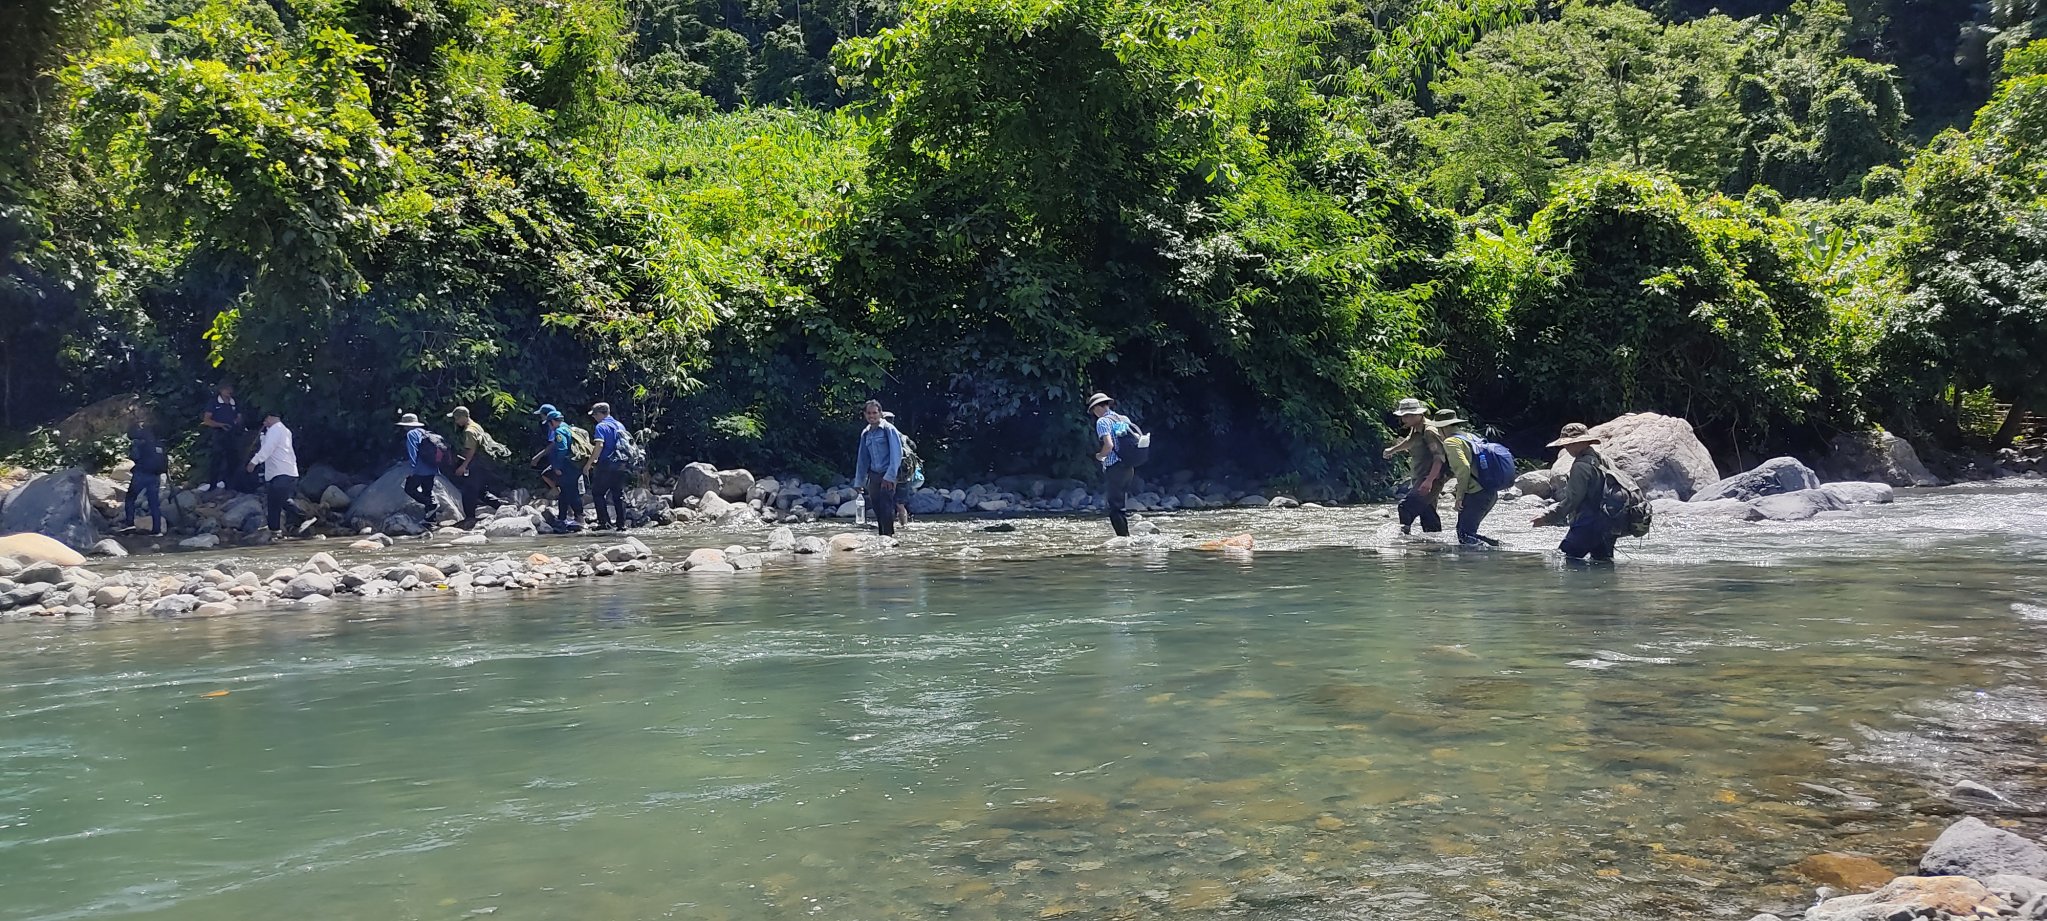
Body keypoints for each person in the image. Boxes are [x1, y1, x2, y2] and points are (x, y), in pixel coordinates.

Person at [1532, 422, 1617, 562]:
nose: (1566, 447)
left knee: (1565, 560)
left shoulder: (1581, 466)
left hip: (1587, 524)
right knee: (1603, 564)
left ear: (1579, 443)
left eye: (1569, 444)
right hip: (1608, 523)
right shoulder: (1602, 459)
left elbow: (1572, 500)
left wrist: (1548, 517)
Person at [1432, 409, 1500, 547]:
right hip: (1489, 491)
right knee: (1465, 534)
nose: (1439, 433)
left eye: (1439, 429)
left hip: (1477, 493)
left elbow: (1464, 468)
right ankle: (1498, 548)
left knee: (1465, 535)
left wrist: (1459, 497)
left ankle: (1496, 554)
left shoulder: (1451, 442)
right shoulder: (1470, 436)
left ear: (1444, 427)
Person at [1381, 397, 1444, 534]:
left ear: (1418, 414)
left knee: (1405, 507)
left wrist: (1429, 481)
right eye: (1403, 416)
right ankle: (1435, 547)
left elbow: (1439, 458)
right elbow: (1411, 441)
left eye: (1407, 416)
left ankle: (1403, 539)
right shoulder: (1416, 428)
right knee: (1427, 513)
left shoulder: (1429, 431)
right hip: (1421, 477)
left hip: (1430, 478)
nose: (1404, 420)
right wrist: (1393, 450)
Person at [1087, 392, 1137, 538]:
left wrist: (1099, 456)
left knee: (1114, 507)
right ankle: (1126, 536)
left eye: (1094, 410)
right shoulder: (1123, 418)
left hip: (1114, 467)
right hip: (1129, 467)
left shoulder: (1102, 422)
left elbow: (1108, 445)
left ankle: (1123, 539)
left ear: (1097, 408)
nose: (1094, 414)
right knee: (1120, 504)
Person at [852, 400, 903, 538]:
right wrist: (859, 482)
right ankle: (882, 535)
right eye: (868, 413)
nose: (871, 416)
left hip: (888, 473)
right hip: (874, 475)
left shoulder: (888, 429)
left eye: (875, 413)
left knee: (886, 506)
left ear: (880, 413)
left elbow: (897, 454)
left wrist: (890, 476)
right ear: (864, 415)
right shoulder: (866, 434)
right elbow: (862, 459)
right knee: (876, 506)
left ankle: (888, 537)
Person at [245, 411, 299, 535]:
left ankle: (303, 517)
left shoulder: (275, 430)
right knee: (273, 501)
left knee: (281, 499)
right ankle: (274, 529)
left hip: (283, 471)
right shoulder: (283, 431)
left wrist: (254, 462)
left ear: (270, 418)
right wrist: (263, 437)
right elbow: (269, 446)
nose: (264, 424)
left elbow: (268, 449)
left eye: (265, 421)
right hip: (280, 472)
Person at [531, 408, 583, 533]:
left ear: (552, 422)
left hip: (566, 466)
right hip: (572, 465)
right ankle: (562, 518)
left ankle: (581, 519)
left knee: (571, 492)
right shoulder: (567, 428)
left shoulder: (559, 431)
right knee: (565, 493)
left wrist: (557, 467)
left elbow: (562, 449)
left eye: (549, 423)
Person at [446, 406, 494, 527]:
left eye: (456, 418)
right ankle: (502, 507)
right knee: (482, 491)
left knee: (468, 491)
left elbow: (471, 450)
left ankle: (470, 518)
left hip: (474, 464)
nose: (456, 421)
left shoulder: (469, 431)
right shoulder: (476, 426)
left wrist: (463, 466)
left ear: (463, 417)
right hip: (482, 463)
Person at [121, 422, 168, 537]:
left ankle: (130, 524)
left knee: (130, 498)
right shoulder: (159, 444)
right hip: (155, 476)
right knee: (154, 503)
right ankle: (157, 530)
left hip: (141, 474)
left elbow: (134, 456)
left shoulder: (141, 442)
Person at [589, 402, 629, 531]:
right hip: (622, 464)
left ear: (601, 414)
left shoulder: (601, 426)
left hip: (607, 464)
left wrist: (589, 463)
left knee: (597, 493)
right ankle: (621, 524)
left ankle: (604, 523)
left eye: (594, 415)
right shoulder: (620, 425)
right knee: (618, 494)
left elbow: (599, 445)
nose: (594, 417)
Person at [397, 412, 440, 522]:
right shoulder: (425, 432)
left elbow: (413, 451)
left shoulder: (411, 434)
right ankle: (431, 521)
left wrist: (412, 468)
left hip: (420, 469)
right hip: (432, 467)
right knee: (427, 491)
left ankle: (431, 504)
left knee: (409, 488)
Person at [199, 382, 240, 492]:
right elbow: (206, 420)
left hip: (232, 434)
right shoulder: (214, 402)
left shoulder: (234, 402)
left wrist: (235, 422)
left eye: (230, 389)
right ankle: (213, 485)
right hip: (219, 434)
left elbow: (238, 415)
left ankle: (230, 485)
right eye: (226, 389)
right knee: (216, 460)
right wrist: (220, 425)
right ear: (221, 390)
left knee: (232, 460)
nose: (229, 392)